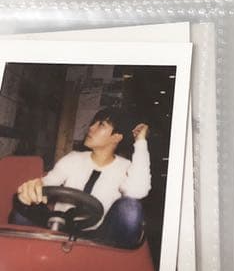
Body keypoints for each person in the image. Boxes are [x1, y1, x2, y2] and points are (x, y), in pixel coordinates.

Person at [11, 107, 151, 249]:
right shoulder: (73, 158)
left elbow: (137, 191)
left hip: (99, 238)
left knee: (131, 208)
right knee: (22, 204)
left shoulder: (126, 167)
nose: (91, 128)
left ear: (116, 137)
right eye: (93, 123)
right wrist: (33, 188)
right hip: (58, 226)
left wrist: (141, 142)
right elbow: (47, 183)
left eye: (101, 125)